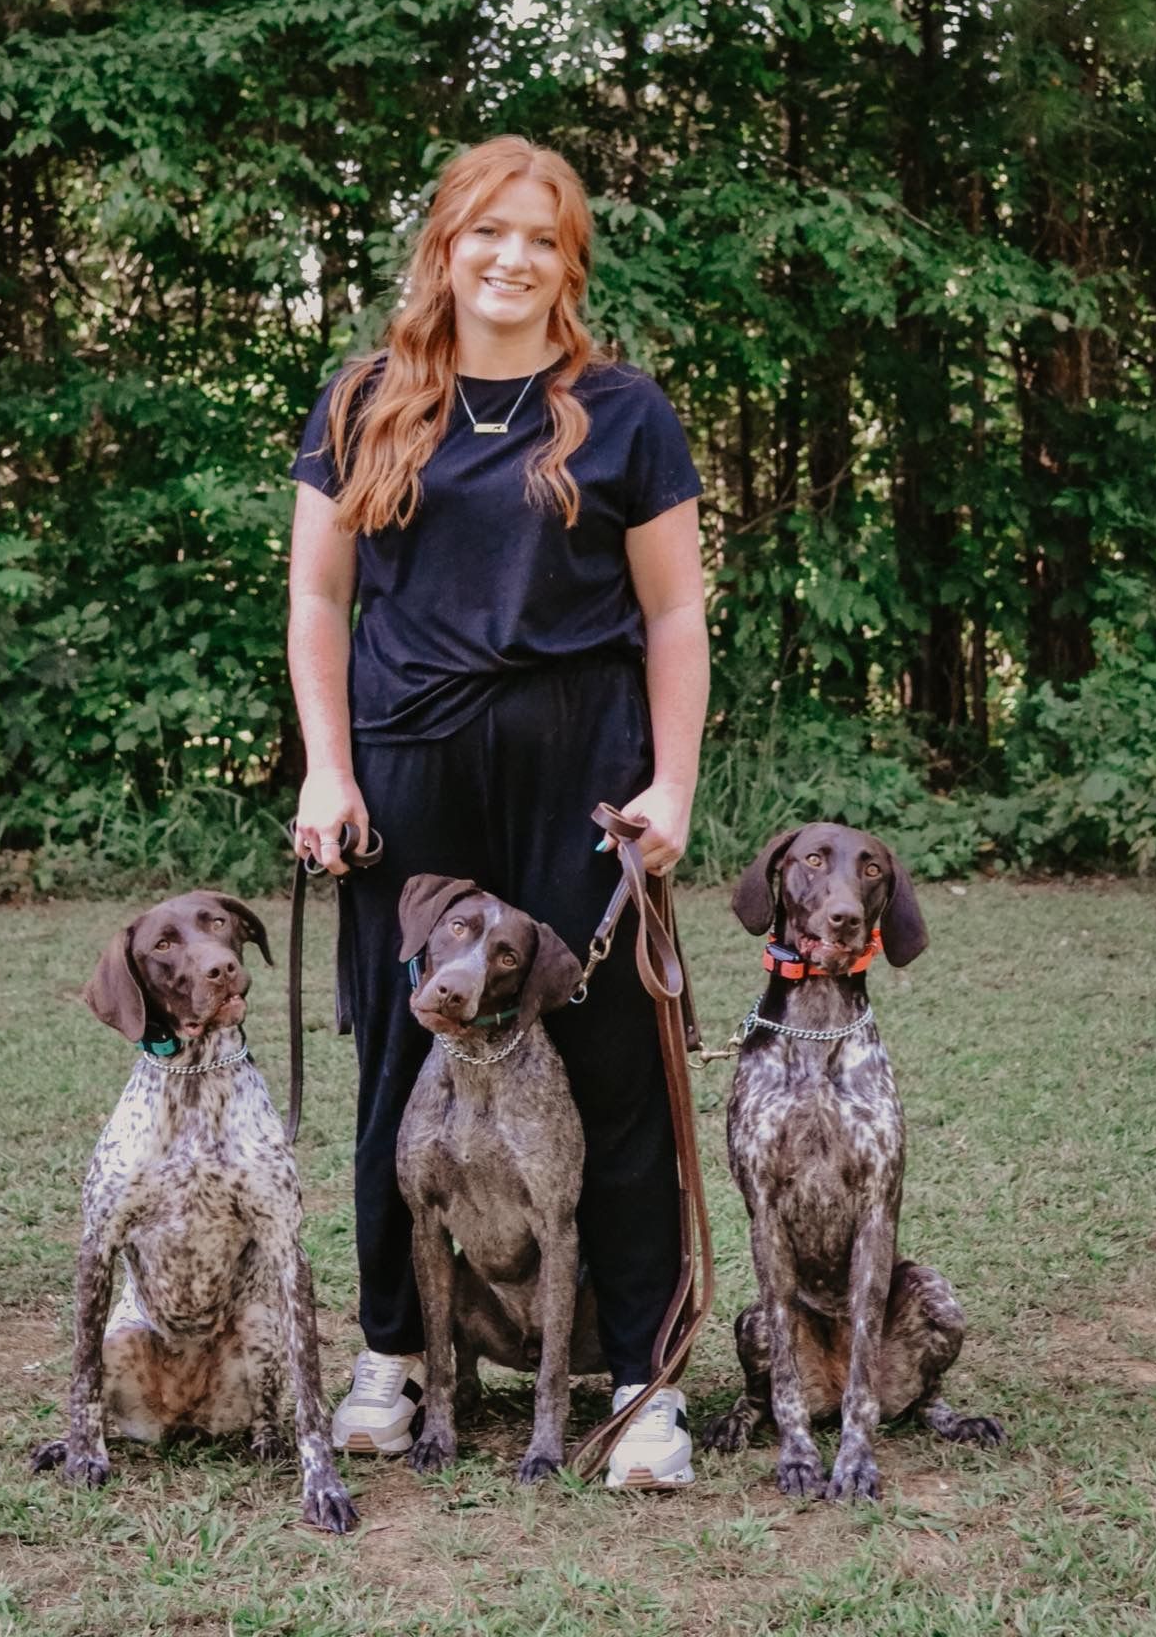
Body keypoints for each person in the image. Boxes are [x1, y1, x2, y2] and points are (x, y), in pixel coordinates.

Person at [287, 135, 709, 1488]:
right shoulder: (362, 400)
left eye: (540, 238)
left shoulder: (624, 410)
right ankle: (395, 1359)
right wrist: (327, 768)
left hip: (580, 760)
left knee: (609, 1062)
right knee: (401, 1062)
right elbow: (315, 600)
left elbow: (674, 611)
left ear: (566, 260)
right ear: (444, 246)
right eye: (488, 233)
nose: (512, 259)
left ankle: (642, 1381)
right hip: (407, 762)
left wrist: (672, 786)